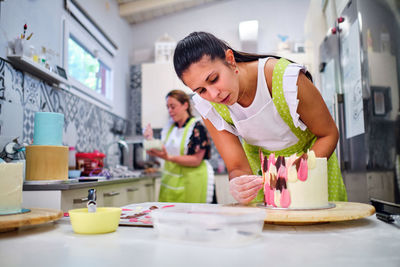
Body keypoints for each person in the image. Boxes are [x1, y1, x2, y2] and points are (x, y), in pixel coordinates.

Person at [173, 31, 347, 204]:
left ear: (230, 59)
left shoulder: (283, 77)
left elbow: (328, 134)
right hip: (264, 179)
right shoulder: (209, 105)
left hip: (312, 167)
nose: (214, 94)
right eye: (201, 90)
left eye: (214, 79)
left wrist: (296, 173)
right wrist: (238, 183)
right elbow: (238, 167)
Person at [144, 89, 214, 203]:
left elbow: (196, 160)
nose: (170, 111)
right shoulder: (170, 128)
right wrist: (150, 140)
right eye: (168, 107)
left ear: (185, 105)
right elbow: (163, 150)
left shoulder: (197, 128)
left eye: (173, 106)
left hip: (193, 181)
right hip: (171, 181)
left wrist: (168, 158)